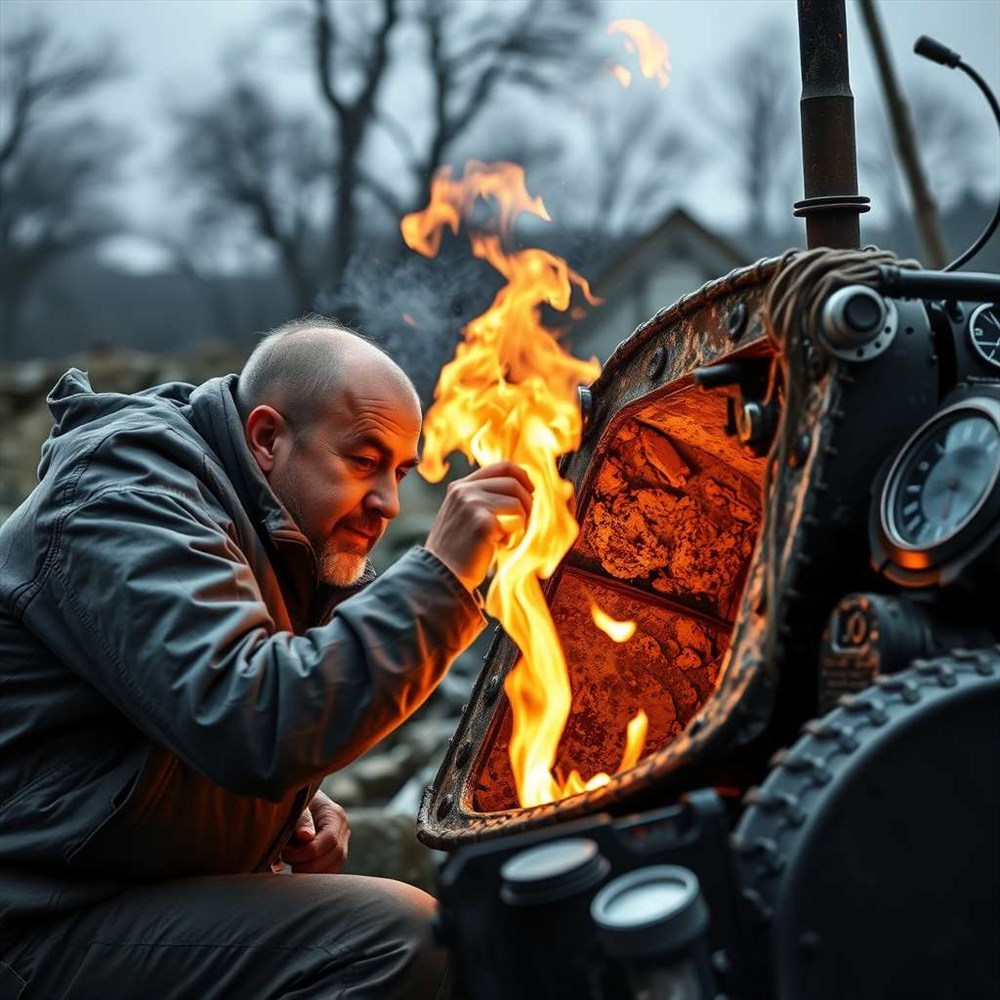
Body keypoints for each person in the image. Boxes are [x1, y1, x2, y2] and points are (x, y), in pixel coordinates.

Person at [0, 315, 534, 1000]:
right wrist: (444, 574)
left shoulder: (260, 522)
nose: (389, 504)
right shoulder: (127, 501)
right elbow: (254, 718)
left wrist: (292, 809)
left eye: (401, 472)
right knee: (393, 939)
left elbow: (180, 709)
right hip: (32, 925)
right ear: (266, 438)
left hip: (96, 895)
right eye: (365, 460)